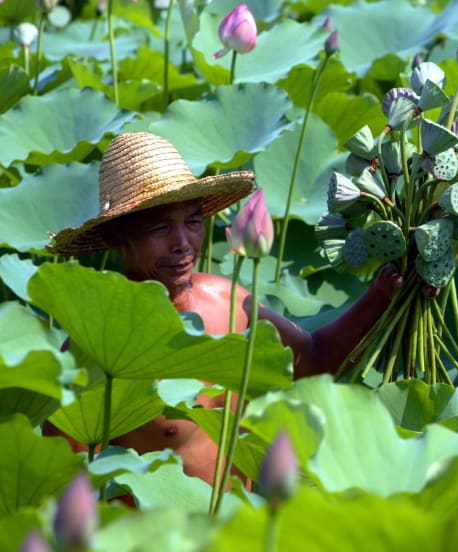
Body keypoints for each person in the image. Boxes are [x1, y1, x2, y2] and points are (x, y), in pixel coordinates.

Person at [45, 131, 403, 485]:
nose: (183, 244)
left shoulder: (232, 303)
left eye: (194, 222)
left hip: (241, 530)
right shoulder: (91, 351)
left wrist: (383, 294)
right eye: (160, 228)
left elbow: (316, 360)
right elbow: (66, 490)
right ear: (116, 237)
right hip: (155, 538)